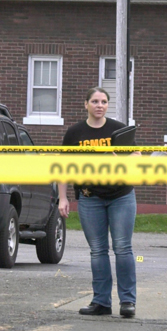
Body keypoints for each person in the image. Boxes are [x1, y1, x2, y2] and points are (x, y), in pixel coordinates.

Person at [58, 87, 140, 318]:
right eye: (94, 101)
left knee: (123, 248)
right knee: (97, 251)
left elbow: (137, 156)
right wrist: (62, 198)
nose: (99, 105)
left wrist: (121, 158)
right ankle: (101, 302)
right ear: (86, 104)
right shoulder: (75, 133)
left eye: (103, 101)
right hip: (89, 198)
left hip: (121, 196)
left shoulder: (118, 129)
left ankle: (127, 302)